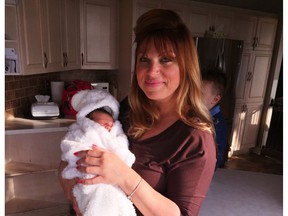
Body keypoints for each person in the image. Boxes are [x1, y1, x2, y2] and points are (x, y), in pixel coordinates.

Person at [58, 9, 216, 216]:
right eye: (144, 60)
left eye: (166, 59)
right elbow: (67, 160)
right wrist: (74, 195)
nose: (152, 71)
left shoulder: (195, 140)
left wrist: (123, 176)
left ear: (186, 67)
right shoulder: (125, 110)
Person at [60, 89, 136, 216]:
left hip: (116, 184)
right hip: (89, 180)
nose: (108, 127)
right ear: (89, 122)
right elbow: (69, 150)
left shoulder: (117, 135)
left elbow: (123, 152)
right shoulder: (81, 133)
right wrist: (72, 173)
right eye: (104, 124)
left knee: (119, 205)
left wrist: (122, 164)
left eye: (110, 124)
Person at [202, 70, 228, 168]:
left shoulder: (217, 125)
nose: (192, 97)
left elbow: (216, 159)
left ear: (215, 99)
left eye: (200, 94)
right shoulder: (196, 115)